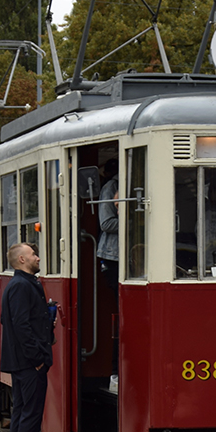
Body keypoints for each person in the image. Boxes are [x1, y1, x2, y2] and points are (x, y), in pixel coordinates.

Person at [0, 242, 56, 432]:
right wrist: (36, 359)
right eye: (33, 254)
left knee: (22, 413)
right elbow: (21, 325)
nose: (38, 258)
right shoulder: (21, 286)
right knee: (29, 415)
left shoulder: (20, 284)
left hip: (23, 361)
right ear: (22, 260)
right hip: (28, 363)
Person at [96, 158, 120, 388]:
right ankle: (115, 371)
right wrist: (135, 219)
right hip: (114, 259)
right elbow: (106, 223)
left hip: (131, 258)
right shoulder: (111, 188)